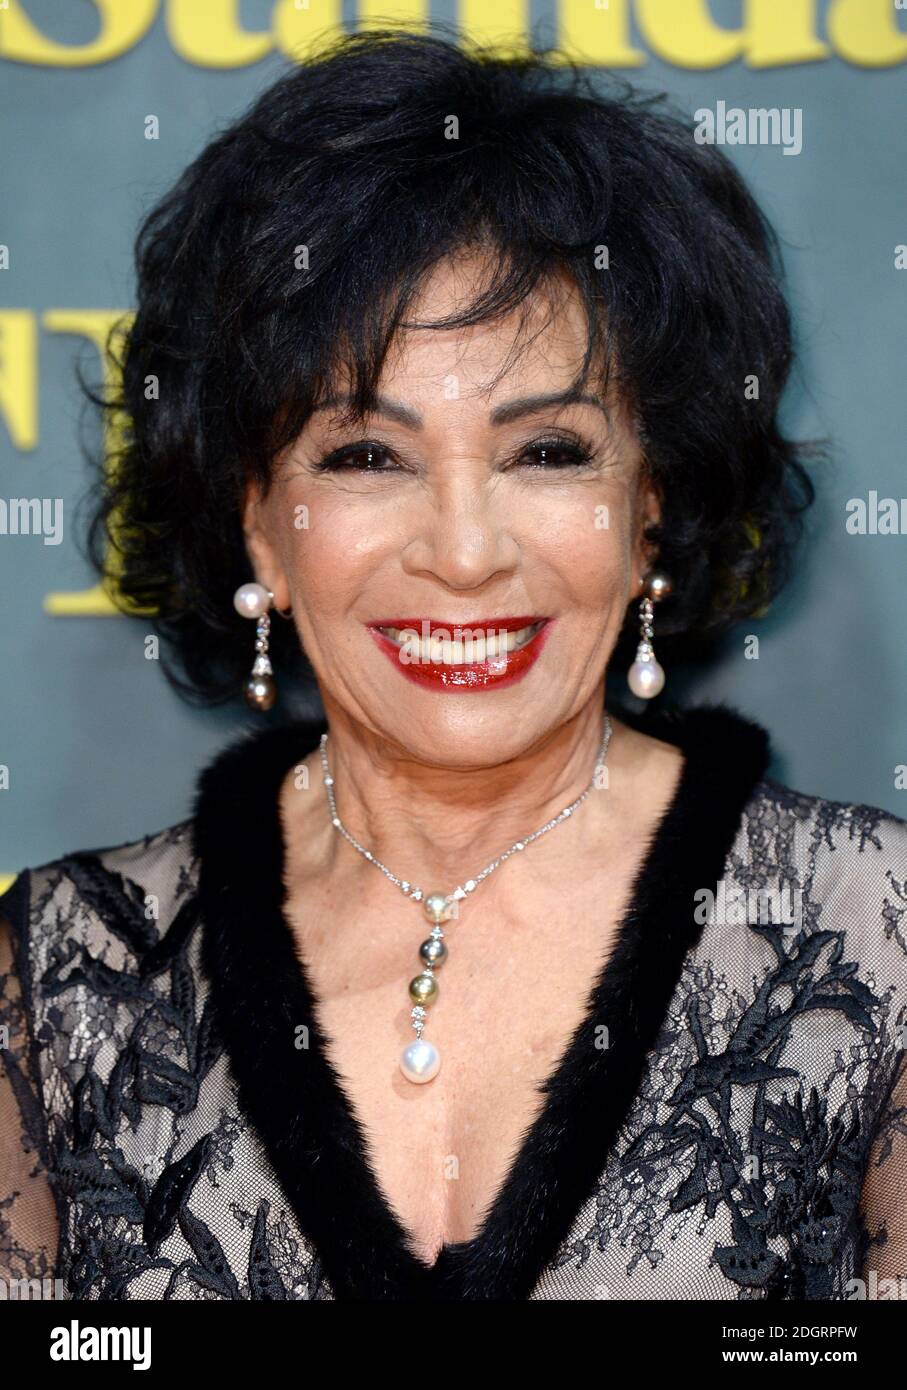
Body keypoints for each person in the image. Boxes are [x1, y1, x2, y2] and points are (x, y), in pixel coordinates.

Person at [1, 30, 904, 1303]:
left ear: (652, 501)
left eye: (548, 453)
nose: (466, 555)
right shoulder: (55, 977)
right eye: (367, 455)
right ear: (255, 514)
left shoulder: (877, 934)